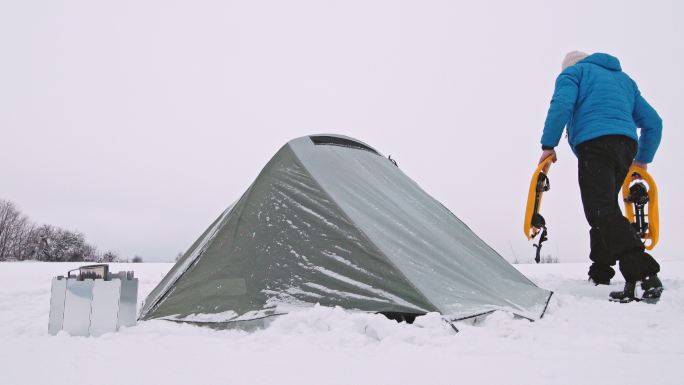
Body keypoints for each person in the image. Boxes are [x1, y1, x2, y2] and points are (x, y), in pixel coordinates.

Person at [539, 51, 664, 302]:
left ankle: (643, 272)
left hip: (595, 144)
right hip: (626, 147)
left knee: (600, 209)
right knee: (606, 208)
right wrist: (642, 159)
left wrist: (548, 144)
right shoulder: (624, 81)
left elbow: (561, 105)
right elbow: (653, 122)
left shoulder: (573, 73)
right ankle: (601, 271)